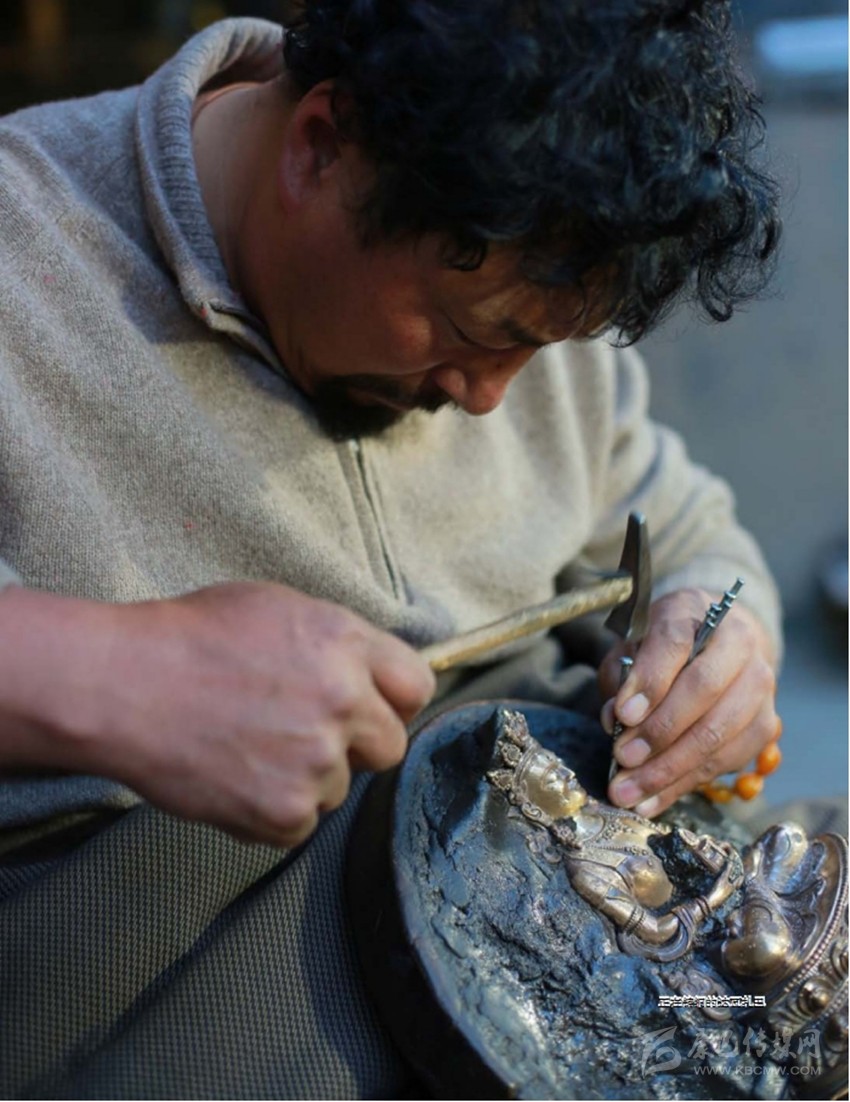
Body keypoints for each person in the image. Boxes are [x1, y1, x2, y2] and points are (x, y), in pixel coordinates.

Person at [0, 1, 784, 1095]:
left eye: (542, 348)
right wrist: (106, 671)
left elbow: (691, 529)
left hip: (556, 888)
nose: (491, 399)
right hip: (202, 970)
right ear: (320, 148)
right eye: (474, 334)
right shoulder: (24, 254)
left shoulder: (535, 251)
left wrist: (721, 634)